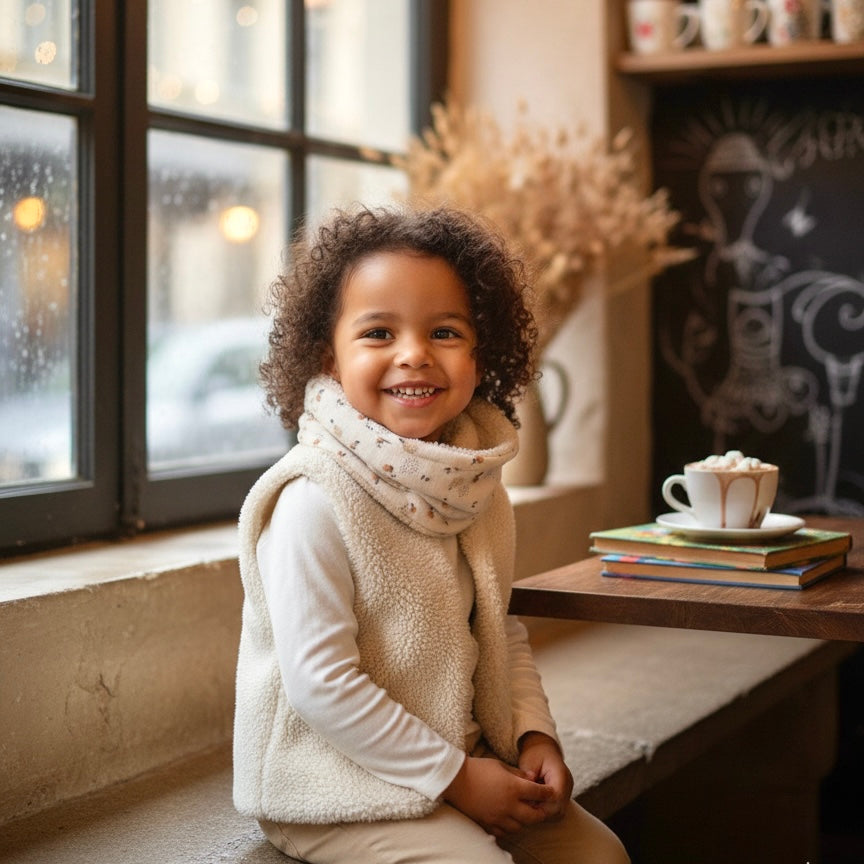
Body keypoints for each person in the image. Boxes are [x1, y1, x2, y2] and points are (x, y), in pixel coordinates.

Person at [233, 205, 630, 864]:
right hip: (329, 782)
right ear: (326, 355)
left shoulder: (469, 485)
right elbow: (321, 686)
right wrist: (457, 779)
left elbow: (497, 629)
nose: (414, 354)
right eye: (379, 332)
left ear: (483, 353)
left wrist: (535, 737)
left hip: (455, 758)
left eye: (445, 331)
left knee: (601, 856)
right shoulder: (311, 499)